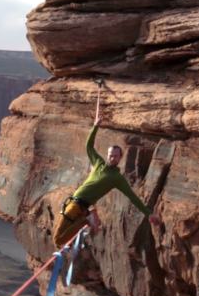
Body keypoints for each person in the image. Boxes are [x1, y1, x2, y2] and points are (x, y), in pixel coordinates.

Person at [52, 95, 161, 249]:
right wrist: (95, 126)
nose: (112, 158)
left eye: (116, 156)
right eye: (110, 155)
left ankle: (86, 221)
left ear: (120, 158)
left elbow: (132, 197)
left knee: (57, 241)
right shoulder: (98, 163)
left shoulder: (116, 178)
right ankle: (86, 220)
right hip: (73, 203)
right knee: (58, 237)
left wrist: (148, 214)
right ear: (107, 155)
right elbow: (89, 146)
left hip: (78, 206)